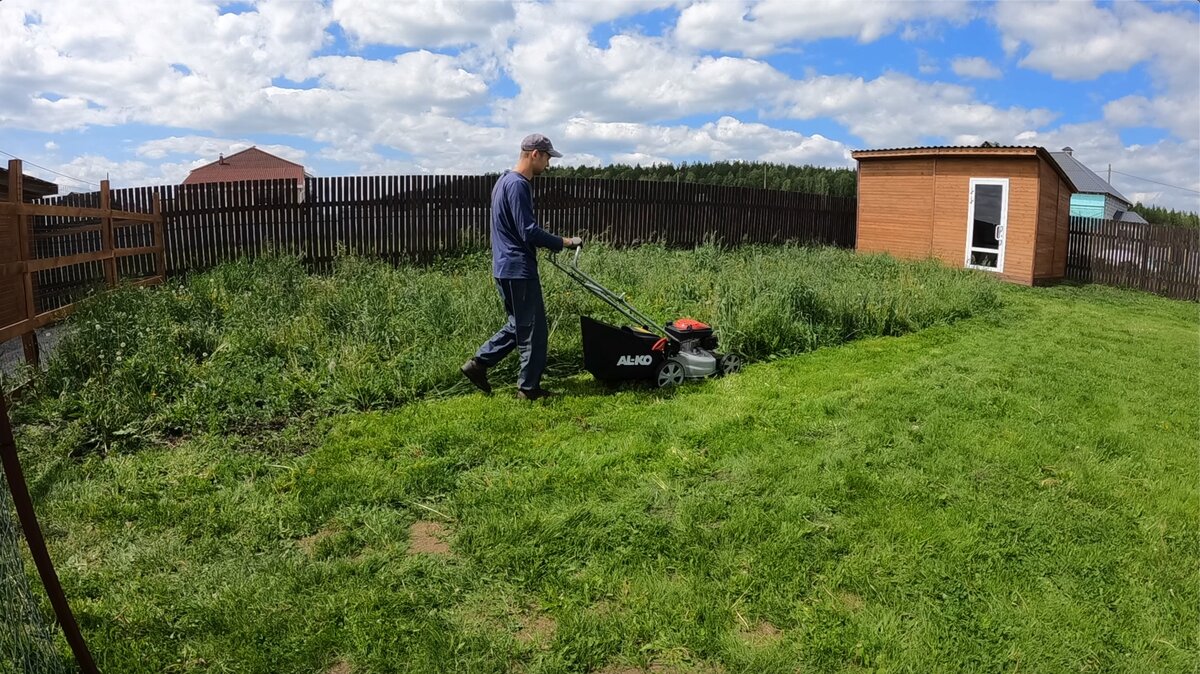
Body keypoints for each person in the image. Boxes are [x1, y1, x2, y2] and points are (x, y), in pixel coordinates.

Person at [461, 133, 583, 400]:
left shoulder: (503, 181)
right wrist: (563, 241)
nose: (549, 165)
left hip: (503, 266)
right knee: (535, 330)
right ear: (534, 154)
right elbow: (528, 231)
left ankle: (478, 364)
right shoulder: (518, 185)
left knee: (519, 325)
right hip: (518, 268)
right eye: (548, 158)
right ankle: (529, 389)